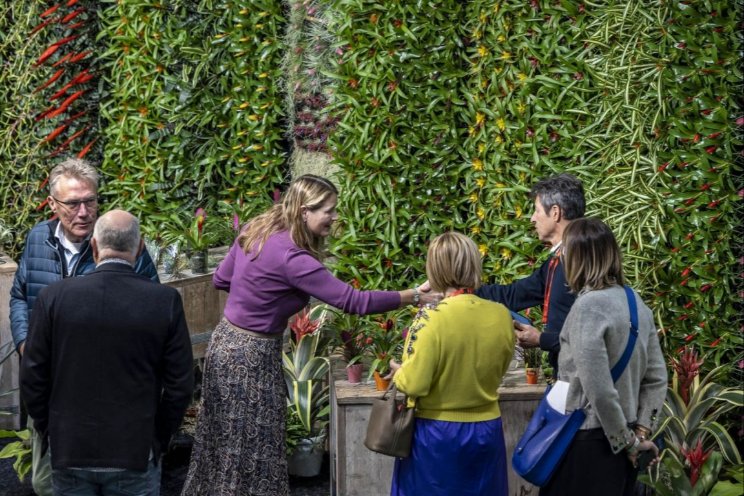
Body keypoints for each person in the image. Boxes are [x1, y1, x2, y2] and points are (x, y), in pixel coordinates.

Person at [181, 174, 440, 496]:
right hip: (251, 357)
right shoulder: (294, 259)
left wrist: (257, 294)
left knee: (222, 442)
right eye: (328, 211)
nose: (334, 217)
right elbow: (352, 301)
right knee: (253, 446)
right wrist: (413, 295)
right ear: (304, 211)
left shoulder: (255, 230)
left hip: (225, 344)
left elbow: (221, 278)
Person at [9, 158, 159, 496]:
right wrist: (25, 342)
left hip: (106, 393)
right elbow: (20, 294)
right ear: (52, 204)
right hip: (50, 384)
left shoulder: (118, 244)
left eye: (90, 201)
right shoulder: (38, 239)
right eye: (73, 203)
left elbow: (152, 303)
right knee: (46, 481)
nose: (84, 212)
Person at [20, 210, 194, 496]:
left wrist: (51, 429)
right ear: (139, 248)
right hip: (134, 450)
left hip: (70, 448)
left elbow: (32, 374)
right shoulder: (164, 301)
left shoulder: (53, 297)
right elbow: (180, 385)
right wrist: (157, 438)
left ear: (94, 246)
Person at [540, 218, 667, 496]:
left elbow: (598, 388)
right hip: (625, 440)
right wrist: (641, 433)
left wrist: (626, 442)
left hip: (588, 439)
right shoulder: (636, 302)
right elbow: (657, 378)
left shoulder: (588, 307)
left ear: (576, 258)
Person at [388, 231, 515, 496]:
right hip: (487, 430)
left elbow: (415, 383)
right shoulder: (501, 315)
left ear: (434, 269)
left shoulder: (432, 319)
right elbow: (501, 368)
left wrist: (398, 374)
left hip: (437, 433)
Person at [477, 173, 585, 375]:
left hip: (582, 381)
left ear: (555, 212)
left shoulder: (581, 261)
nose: (532, 218)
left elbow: (589, 337)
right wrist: (461, 290)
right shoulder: (558, 261)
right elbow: (514, 295)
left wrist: (540, 339)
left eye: (536, 211)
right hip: (566, 374)